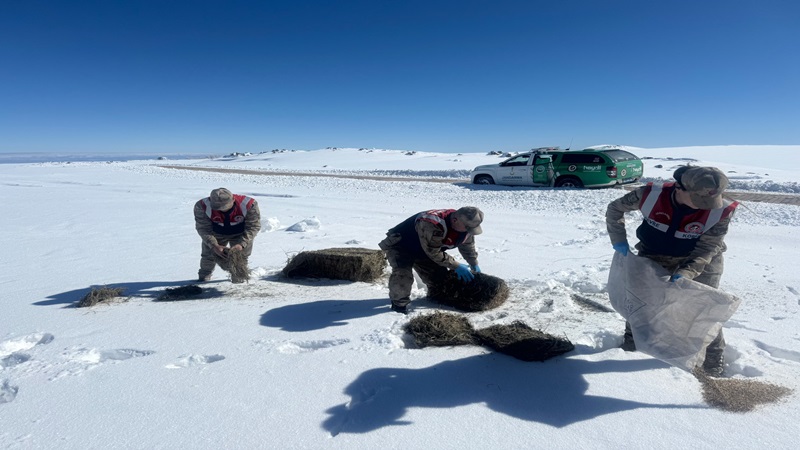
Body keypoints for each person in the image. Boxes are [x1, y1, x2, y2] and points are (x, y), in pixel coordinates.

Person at [606, 166, 738, 376]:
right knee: (639, 300)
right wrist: (618, 239)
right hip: (654, 252)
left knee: (703, 306)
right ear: (679, 188)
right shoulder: (650, 195)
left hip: (701, 259)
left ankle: (713, 358)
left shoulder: (721, 209)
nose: (705, 207)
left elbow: (708, 247)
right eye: (697, 199)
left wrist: (688, 272)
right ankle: (632, 346)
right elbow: (615, 209)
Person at [379, 207, 484, 314]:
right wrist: (456, 265)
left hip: (425, 249)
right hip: (401, 245)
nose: (469, 231)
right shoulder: (432, 223)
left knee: (438, 276)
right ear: (455, 220)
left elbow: (467, 244)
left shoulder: (466, 226)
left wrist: (473, 263)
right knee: (403, 274)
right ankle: (399, 305)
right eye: (467, 227)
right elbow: (433, 252)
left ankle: (435, 298)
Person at [194, 188, 261, 282]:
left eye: (225, 207)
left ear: (233, 199)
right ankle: (204, 276)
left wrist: (242, 244)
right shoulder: (201, 206)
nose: (222, 210)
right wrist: (213, 245)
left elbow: (253, 226)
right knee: (208, 256)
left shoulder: (249, 204)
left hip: (241, 233)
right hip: (215, 232)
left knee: (240, 257)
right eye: (218, 208)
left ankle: (239, 278)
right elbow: (203, 228)